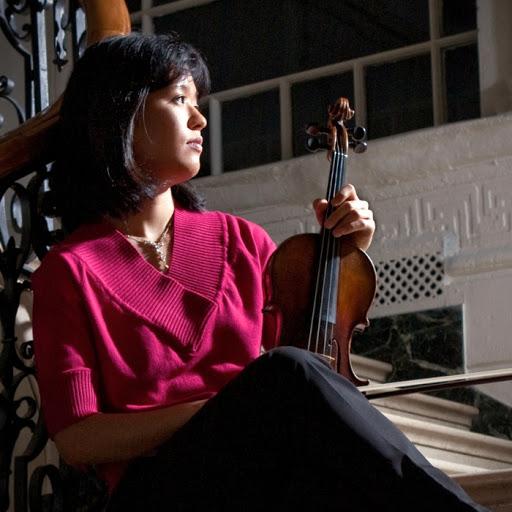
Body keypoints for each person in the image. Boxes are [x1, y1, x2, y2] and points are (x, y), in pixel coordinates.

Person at [32, 33, 488, 511]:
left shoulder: (241, 240)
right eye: (179, 98)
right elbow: (80, 438)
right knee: (285, 377)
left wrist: (344, 257)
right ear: (121, 114)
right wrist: (225, 409)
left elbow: (314, 373)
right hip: (160, 491)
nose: (199, 118)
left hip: (262, 477)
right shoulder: (69, 271)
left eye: (197, 101)